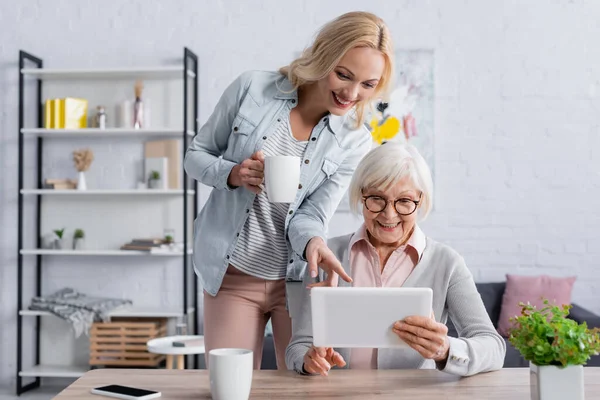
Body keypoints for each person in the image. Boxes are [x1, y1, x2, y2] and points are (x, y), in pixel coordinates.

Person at [183, 11, 395, 369]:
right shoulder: (252, 89)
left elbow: (313, 214)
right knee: (231, 390)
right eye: (343, 74)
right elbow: (194, 156)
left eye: (367, 85)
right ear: (322, 54)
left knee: (304, 388)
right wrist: (233, 173)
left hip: (298, 282)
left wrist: (315, 244)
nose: (351, 93)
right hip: (232, 274)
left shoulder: (355, 142)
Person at [285, 142, 506, 376]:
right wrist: (308, 360)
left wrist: (445, 349)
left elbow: (493, 347)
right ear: (361, 196)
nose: (389, 214)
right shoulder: (330, 255)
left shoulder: (447, 263)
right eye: (377, 198)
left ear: (421, 200)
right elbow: (298, 346)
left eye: (404, 201)